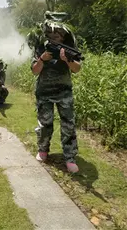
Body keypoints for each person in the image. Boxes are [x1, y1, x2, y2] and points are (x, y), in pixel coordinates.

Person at [30, 11, 82, 173]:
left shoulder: (69, 48)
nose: (54, 37)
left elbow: (77, 69)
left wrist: (67, 60)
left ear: (63, 35)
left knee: (68, 125)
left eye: (57, 35)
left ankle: (70, 157)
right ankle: (43, 150)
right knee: (45, 124)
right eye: (51, 34)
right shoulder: (41, 47)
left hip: (64, 92)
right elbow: (34, 71)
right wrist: (42, 59)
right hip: (44, 92)